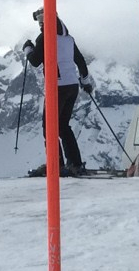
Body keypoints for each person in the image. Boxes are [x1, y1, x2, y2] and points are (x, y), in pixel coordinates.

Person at [23, 10, 93, 177]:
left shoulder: (46, 37)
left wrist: (27, 48)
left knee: (49, 127)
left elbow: (34, 61)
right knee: (62, 126)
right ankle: (75, 163)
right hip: (72, 86)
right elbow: (80, 59)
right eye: (39, 20)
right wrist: (85, 81)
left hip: (57, 86)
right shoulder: (68, 39)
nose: (40, 23)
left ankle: (56, 165)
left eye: (42, 19)